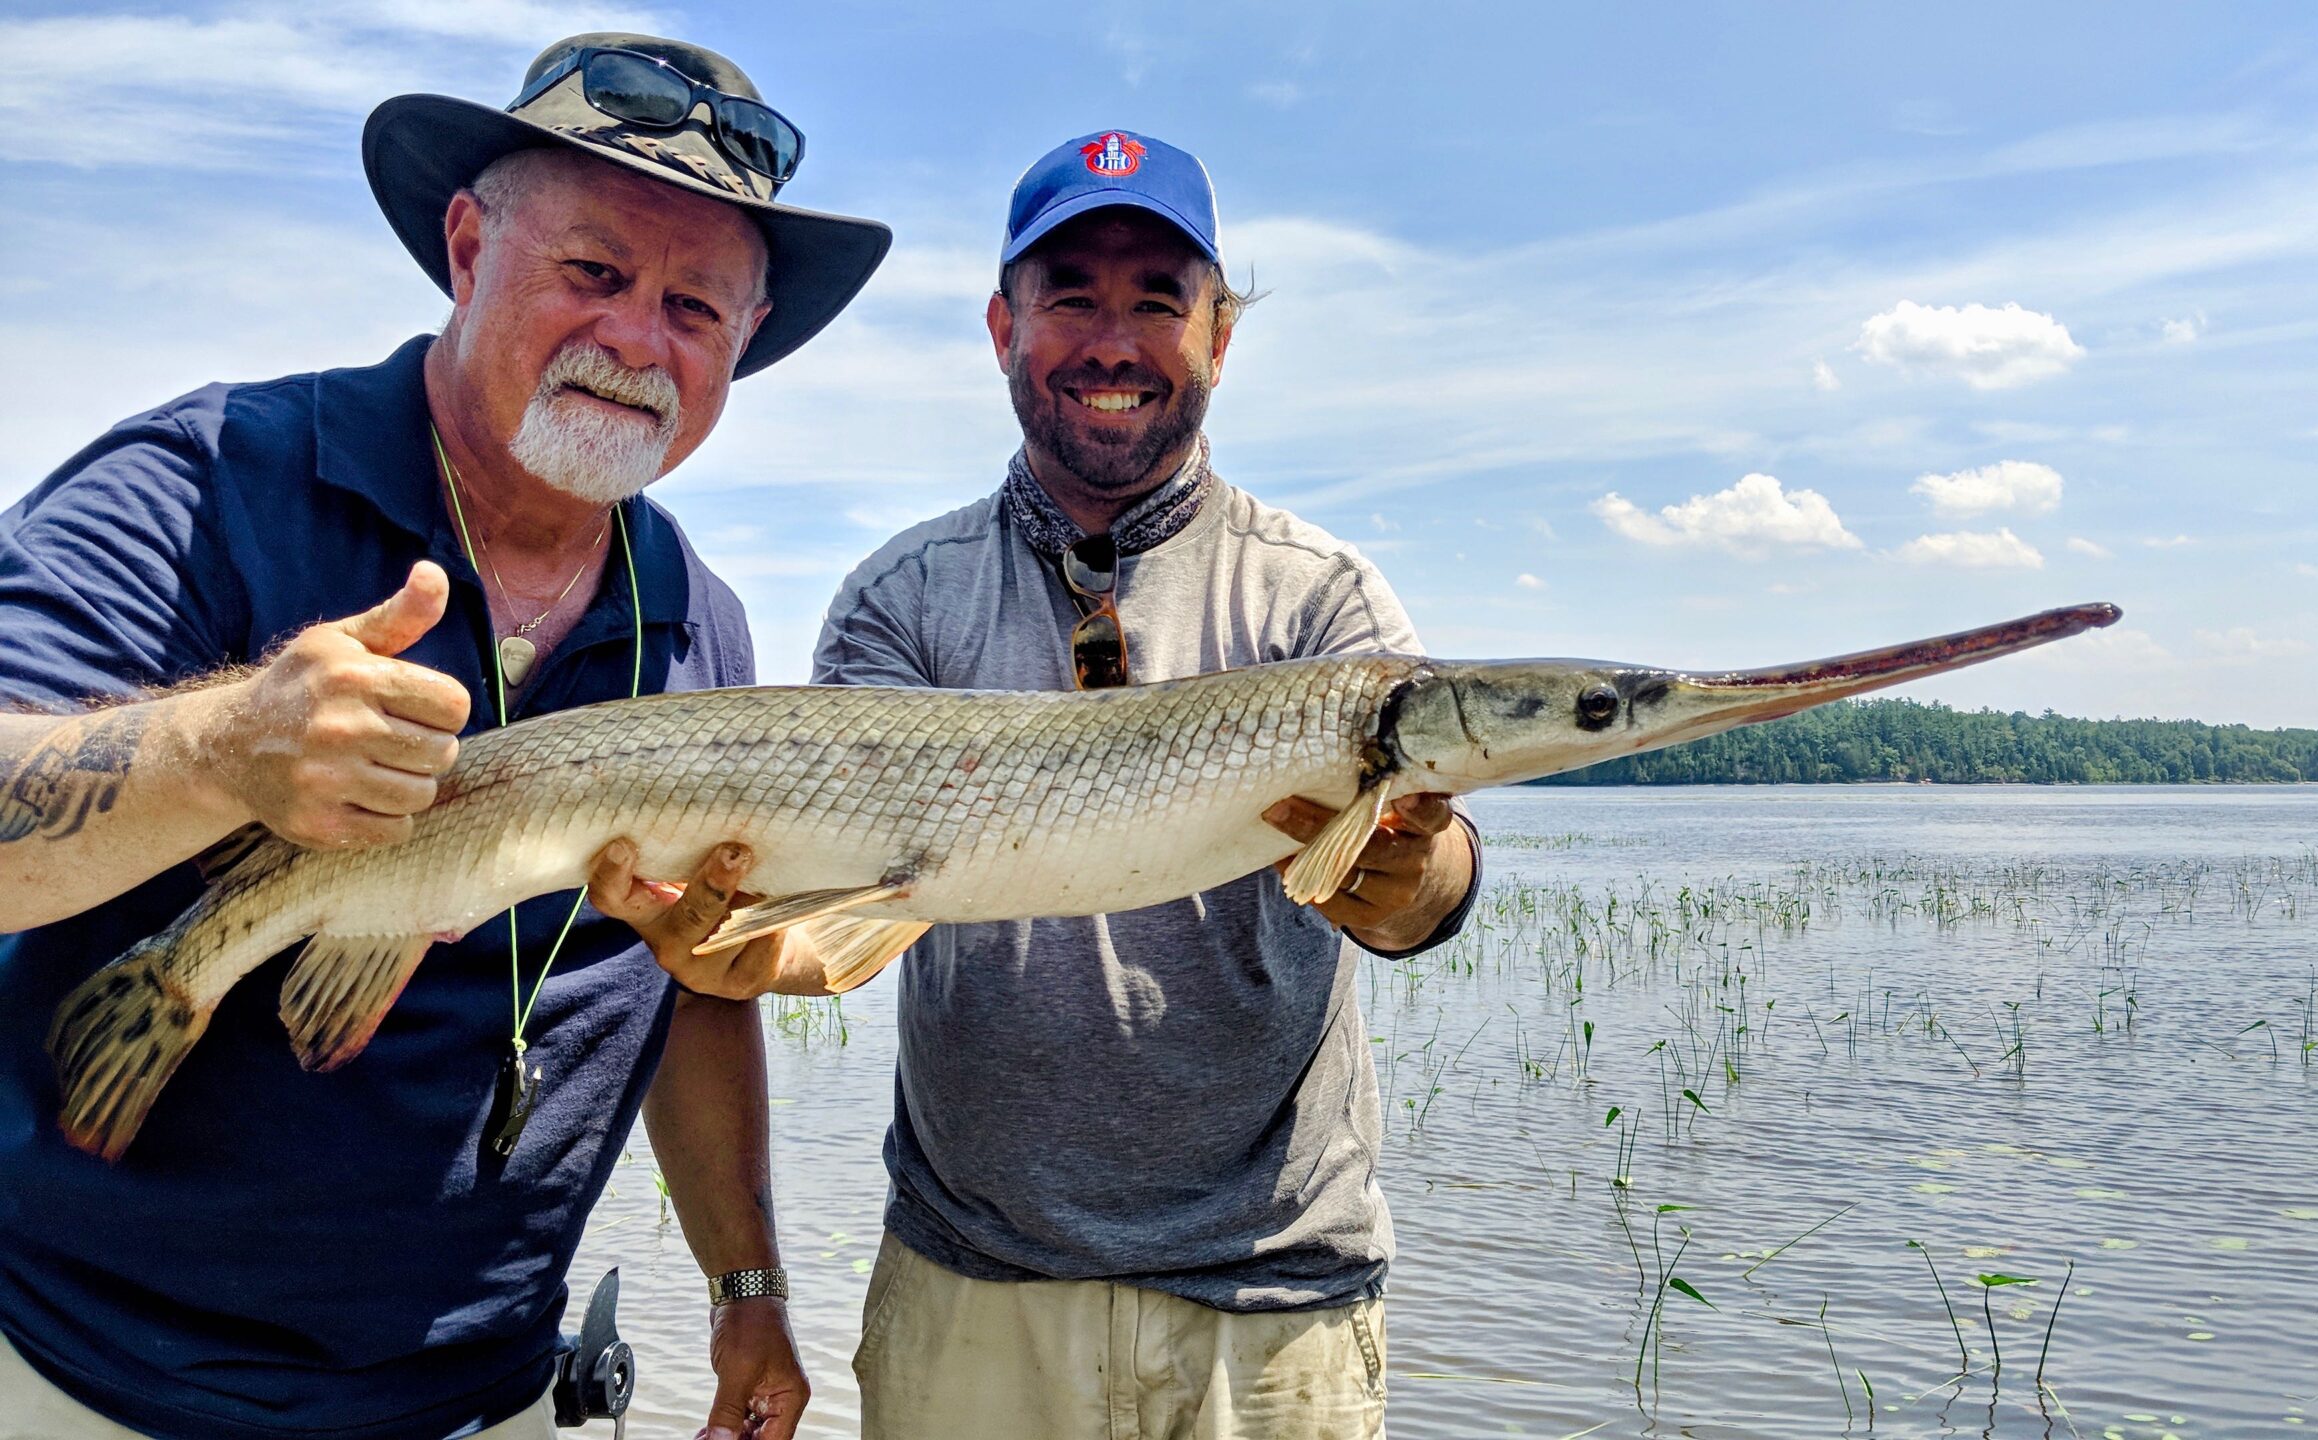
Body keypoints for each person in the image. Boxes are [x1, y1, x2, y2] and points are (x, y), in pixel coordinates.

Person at [0, 34, 890, 1440]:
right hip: (93, 1389)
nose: (638, 340)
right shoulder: (209, 481)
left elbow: (690, 994)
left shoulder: (696, 624)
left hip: (491, 1399)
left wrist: (746, 1287)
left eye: (696, 310)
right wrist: (219, 750)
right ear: (469, 246)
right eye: (593, 273)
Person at [810, 130, 1481, 1439]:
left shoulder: (1320, 596)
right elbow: (829, 898)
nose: (1111, 342)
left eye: (1158, 302)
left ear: (1219, 336)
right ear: (1003, 326)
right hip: (970, 1288)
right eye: (1071, 296)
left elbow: (1419, 896)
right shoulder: (902, 599)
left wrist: (1417, 874)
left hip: (1271, 1304)